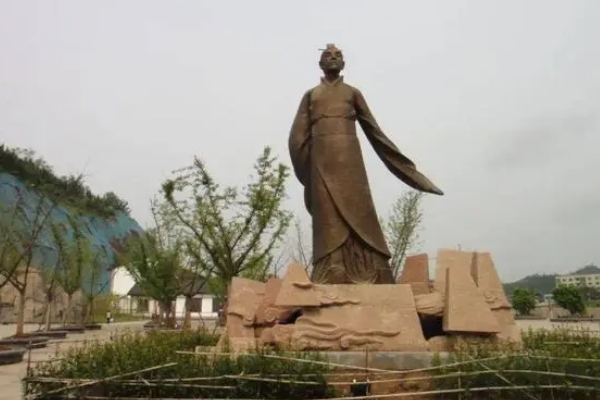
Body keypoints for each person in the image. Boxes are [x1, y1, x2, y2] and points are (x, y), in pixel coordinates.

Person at [288, 44, 443, 285]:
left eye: (338, 55)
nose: (333, 58)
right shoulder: (311, 95)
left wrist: (409, 172)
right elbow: (296, 137)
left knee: (361, 209)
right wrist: (307, 168)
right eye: (327, 56)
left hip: (351, 159)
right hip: (321, 160)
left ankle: (374, 267)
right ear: (320, 64)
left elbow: (374, 131)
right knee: (327, 215)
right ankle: (333, 268)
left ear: (344, 63)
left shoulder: (352, 93)